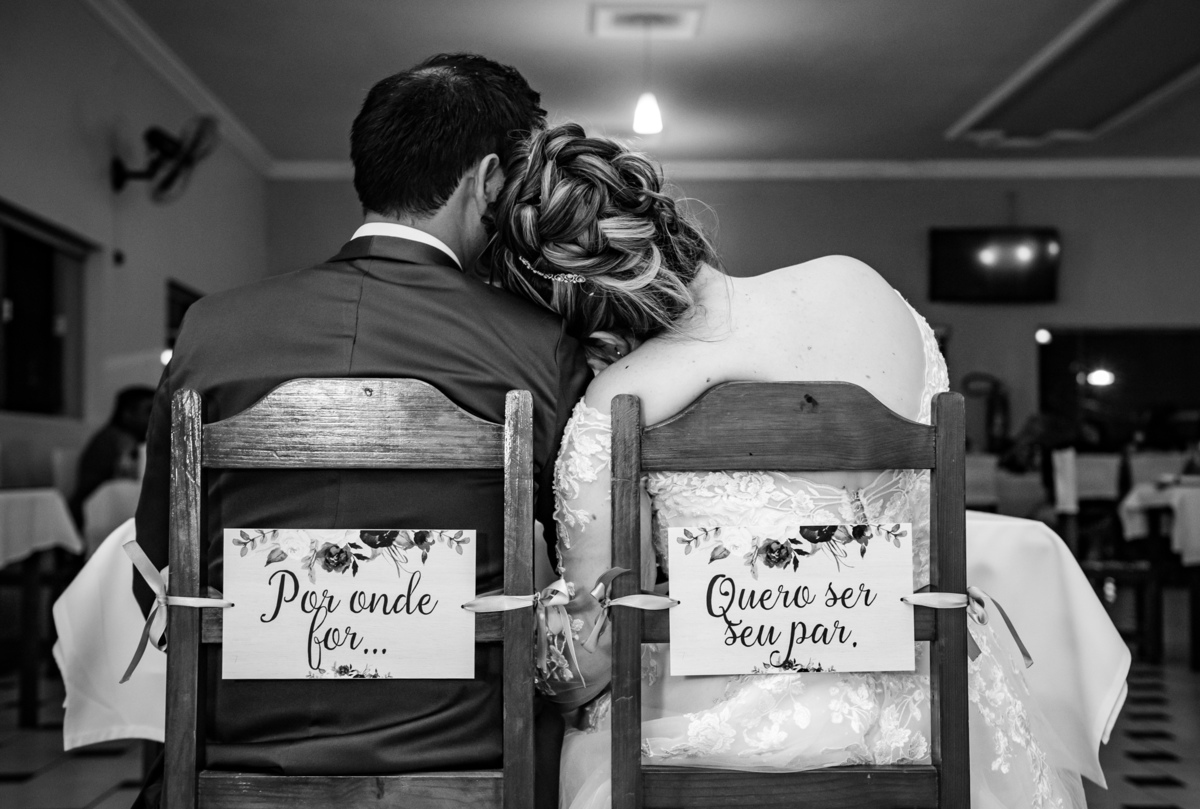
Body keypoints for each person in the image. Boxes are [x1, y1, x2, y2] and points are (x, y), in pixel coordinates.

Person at [490, 124, 1086, 809]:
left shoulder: (619, 401)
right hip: (939, 719)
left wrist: (538, 608)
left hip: (726, 747)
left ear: (573, 304)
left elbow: (591, 661)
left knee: (591, 730)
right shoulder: (859, 284)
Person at [131, 56, 591, 809]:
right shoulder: (537, 343)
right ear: (487, 180)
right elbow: (578, 579)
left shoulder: (213, 328)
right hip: (468, 757)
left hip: (236, 754)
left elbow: (154, 572)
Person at [69, 385, 153, 527]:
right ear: (127, 414)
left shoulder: (116, 436)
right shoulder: (120, 441)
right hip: (91, 516)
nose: (156, 417)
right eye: (149, 410)